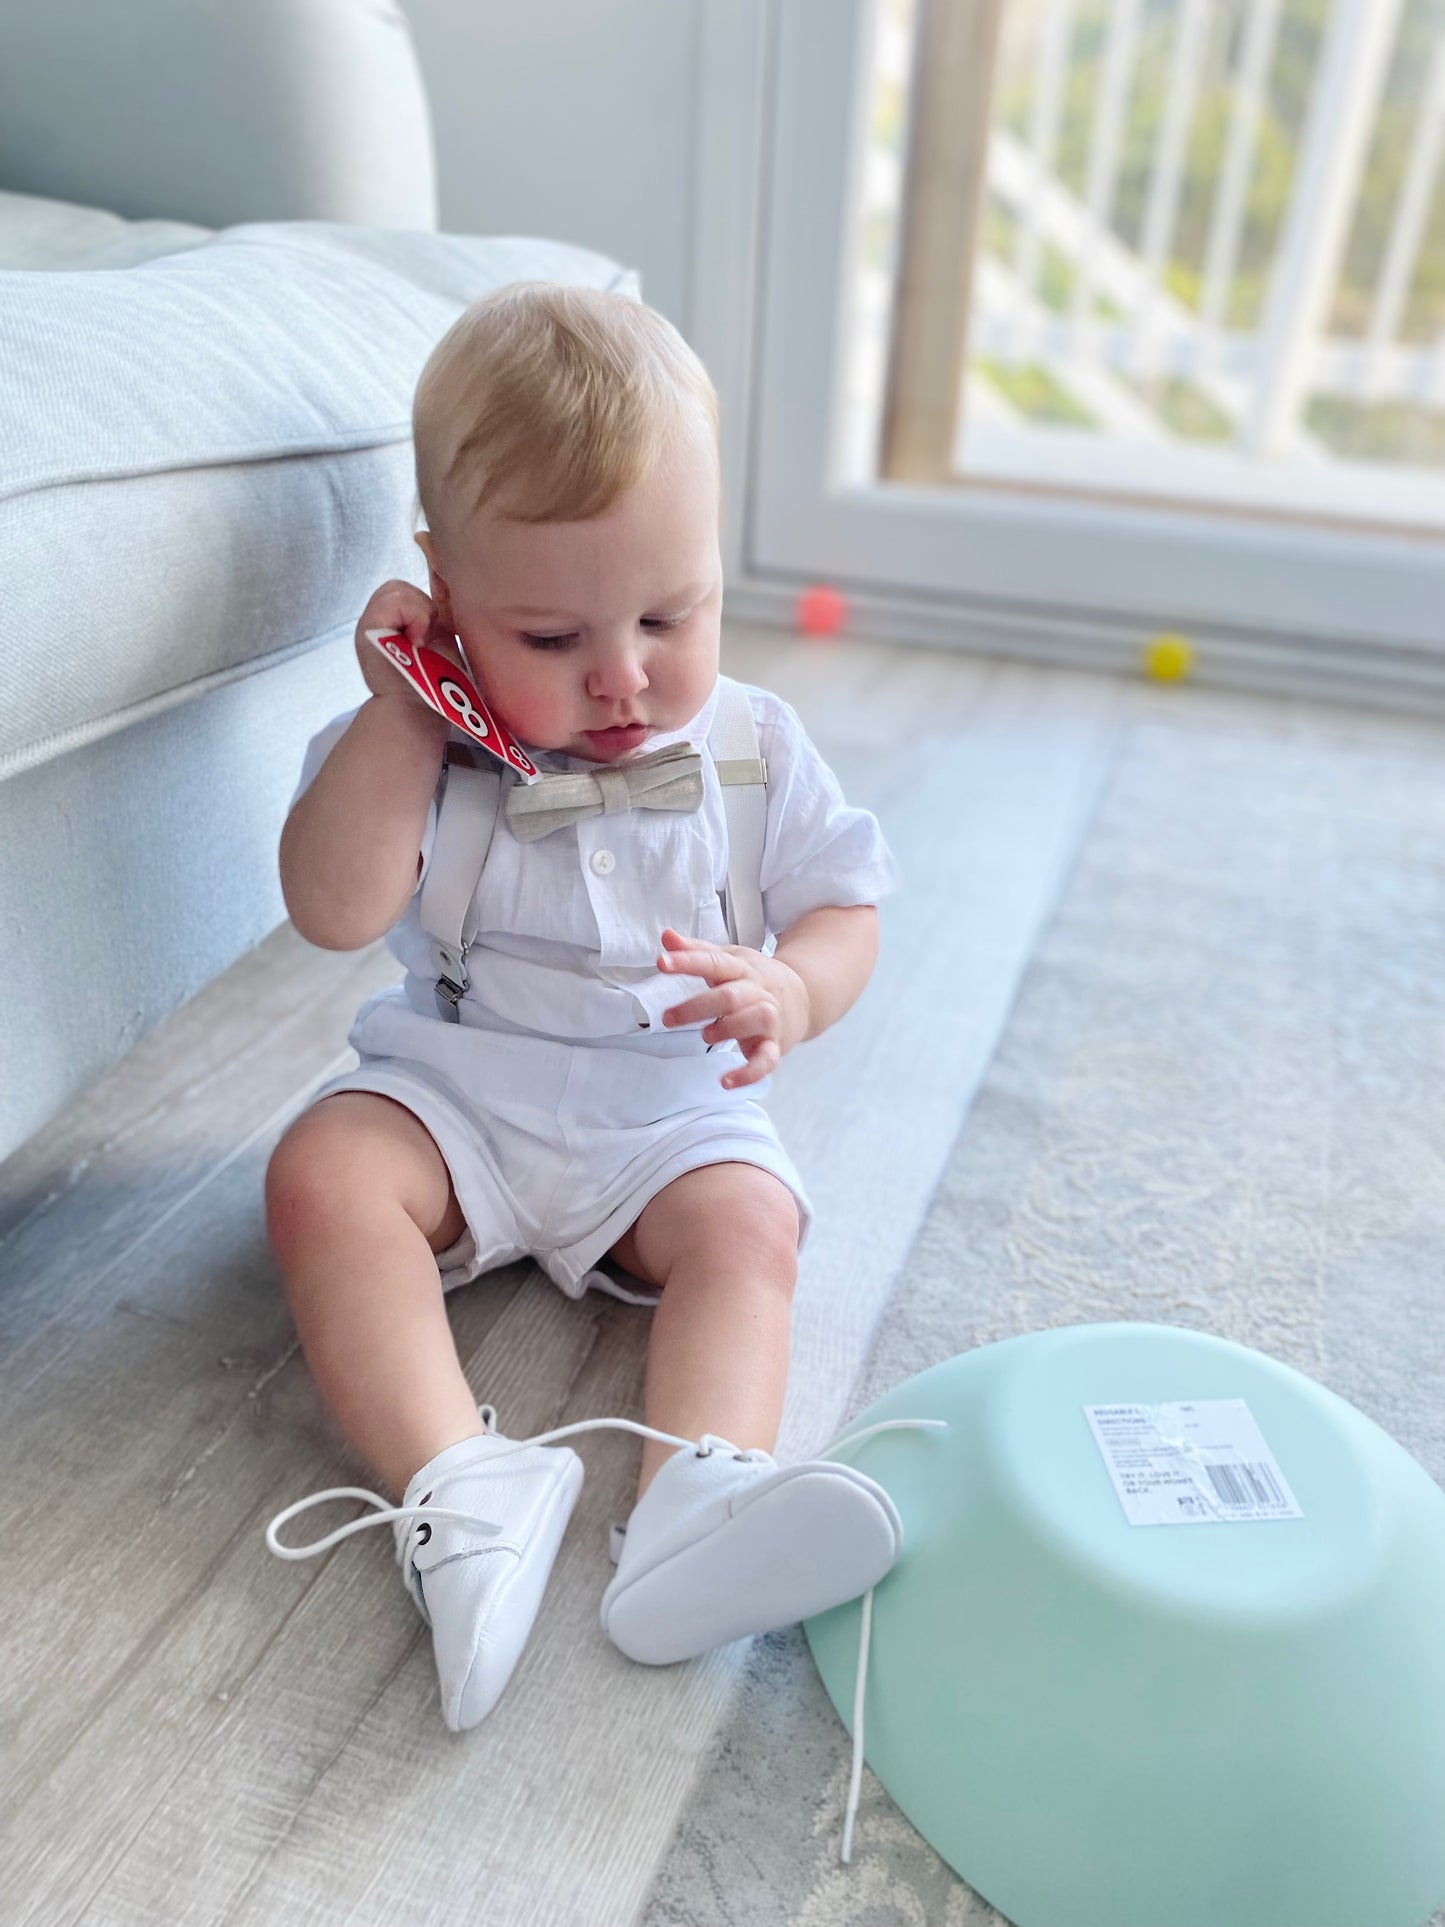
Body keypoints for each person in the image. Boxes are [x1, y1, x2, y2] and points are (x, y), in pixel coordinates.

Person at [261, 281, 905, 1735]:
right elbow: (331, 908)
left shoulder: (750, 747)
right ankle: (460, 1481)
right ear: (442, 587)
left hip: (667, 1114)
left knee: (751, 1225)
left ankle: (694, 1504)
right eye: (547, 638)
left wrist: (795, 985)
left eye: (670, 613)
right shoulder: (417, 744)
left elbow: (846, 905)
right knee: (320, 1175)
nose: (621, 677)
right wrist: (402, 714)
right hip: (458, 1094)